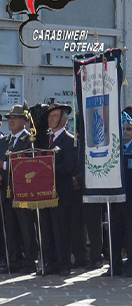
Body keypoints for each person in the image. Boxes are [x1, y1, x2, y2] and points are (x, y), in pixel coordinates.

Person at [102, 112, 132, 277]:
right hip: (114, 198)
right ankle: (114, 264)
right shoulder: (112, 151)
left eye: (128, 129)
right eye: (122, 129)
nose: (125, 132)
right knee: (113, 233)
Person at [38, 103, 79, 276]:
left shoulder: (70, 140)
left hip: (61, 192)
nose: (50, 119)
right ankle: (50, 262)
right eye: (49, 116)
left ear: (63, 119)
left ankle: (64, 263)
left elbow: (69, 167)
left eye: (54, 116)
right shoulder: (43, 140)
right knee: (46, 228)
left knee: (61, 228)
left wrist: (48, 167)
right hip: (44, 191)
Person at [0, 104, 37, 274]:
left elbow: (28, 165)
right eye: (10, 118)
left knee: (26, 227)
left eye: (15, 118)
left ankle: (30, 261)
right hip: (7, 191)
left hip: (23, 191)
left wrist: (4, 165)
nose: (11, 121)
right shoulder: (5, 141)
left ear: (24, 121)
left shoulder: (29, 140)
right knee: (10, 227)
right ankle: (13, 260)